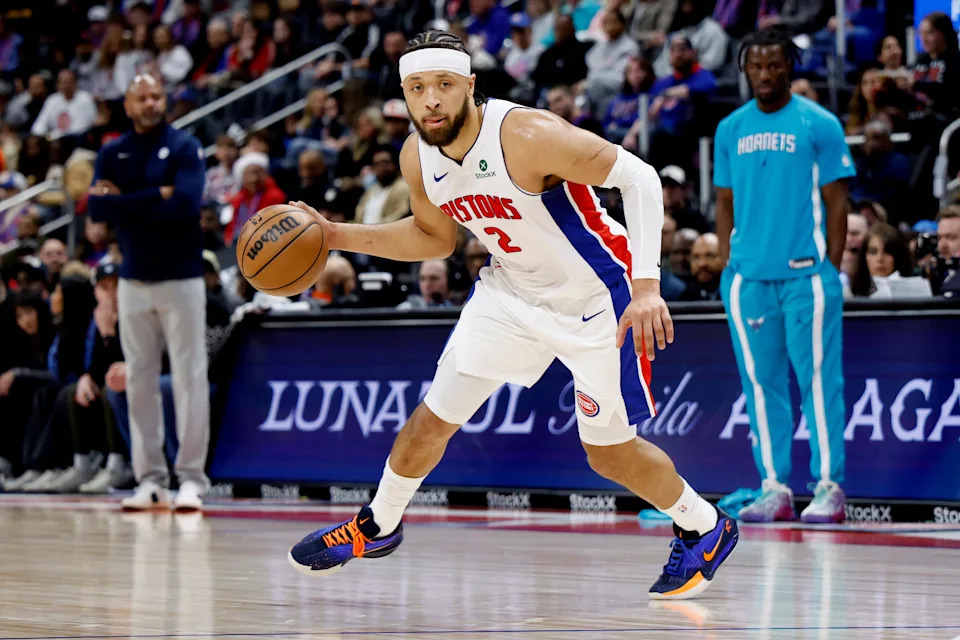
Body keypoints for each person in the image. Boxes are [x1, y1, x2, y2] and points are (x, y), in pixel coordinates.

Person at [286, 29, 739, 600]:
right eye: (418, 87)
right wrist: (332, 234)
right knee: (431, 419)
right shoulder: (415, 155)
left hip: (600, 296)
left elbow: (639, 177)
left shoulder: (525, 134)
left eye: (444, 86)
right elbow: (434, 239)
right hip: (511, 293)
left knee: (607, 454)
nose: (431, 100)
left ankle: (705, 525)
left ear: (469, 86)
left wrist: (647, 287)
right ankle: (377, 525)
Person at [714, 29, 854, 524]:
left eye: (775, 65)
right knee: (761, 384)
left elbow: (838, 201)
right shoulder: (730, 129)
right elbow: (724, 202)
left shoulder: (820, 124)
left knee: (818, 382)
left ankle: (828, 485)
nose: (766, 74)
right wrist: (731, 262)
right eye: (757, 66)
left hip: (806, 277)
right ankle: (774, 486)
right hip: (748, 279)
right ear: (746, 69)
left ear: (789, 68)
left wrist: (831, 268)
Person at [86, 74, 210, 512]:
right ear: (128, 104)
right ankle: (151, 480)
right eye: (143, 97)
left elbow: (186, 205)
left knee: (189, 379)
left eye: (157, 95)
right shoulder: (111, 151)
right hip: (132, 279)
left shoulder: (183, 147)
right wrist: (154, 195)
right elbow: (96, 209)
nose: (151, 103)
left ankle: (192, 479)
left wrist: (128, 202)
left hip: (182, 278)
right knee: (138, 382)